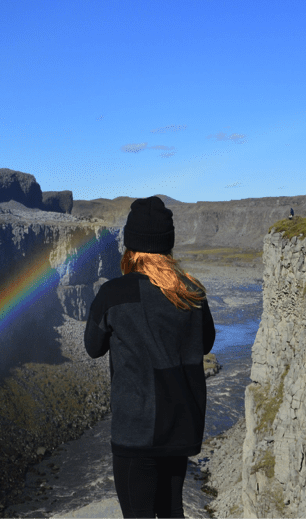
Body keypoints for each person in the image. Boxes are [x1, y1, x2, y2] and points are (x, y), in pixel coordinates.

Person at [85, 196, 216, 519]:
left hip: (137, 432)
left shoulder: (113, 294)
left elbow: (92, 347)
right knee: (172, 512)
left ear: (131, 246)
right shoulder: (192, 293)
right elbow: (207, 343)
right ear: (167, 245)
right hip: (180, 429)